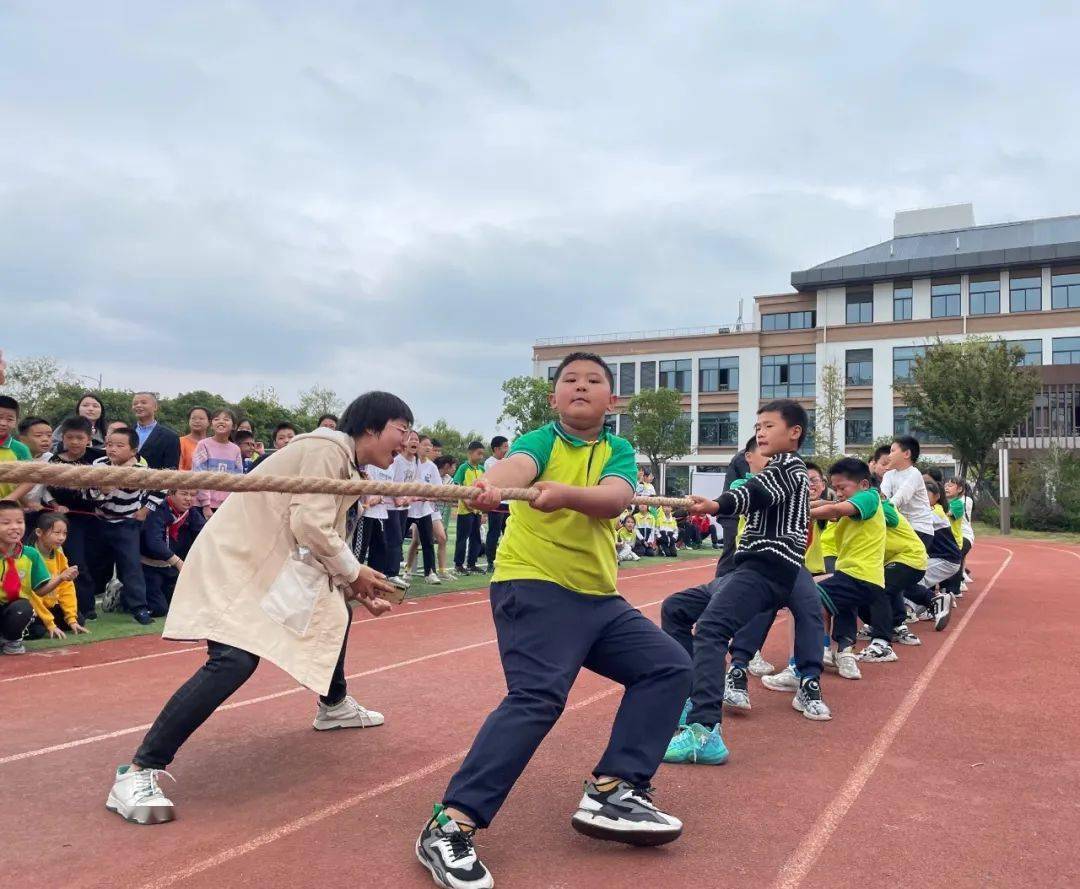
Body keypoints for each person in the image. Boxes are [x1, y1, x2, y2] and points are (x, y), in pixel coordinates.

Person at [416, 353, 691, 889]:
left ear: (612, 401)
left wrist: (564, 496)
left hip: (599, 598)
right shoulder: (542, 441)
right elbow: (514, 468)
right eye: (570, 380)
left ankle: (613, 790)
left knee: (668, 666)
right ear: (554, 398)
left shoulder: (618, 449)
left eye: (594, 382)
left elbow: (615, 498)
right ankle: (451, 823)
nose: (581, 387)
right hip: (535, 586)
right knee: (539, 696)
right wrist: (493, 483)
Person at [106, 392, 410, 826]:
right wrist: (353, 572)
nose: (407, 441)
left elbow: (321, 533)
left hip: (267, 563)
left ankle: (334, 703)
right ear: (372, 426)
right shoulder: (326, 448)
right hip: (238, 562)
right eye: (402, 430)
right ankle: (138, 771)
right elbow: (310, 525)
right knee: (232, 661)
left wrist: (353, 580)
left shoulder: (344, 462)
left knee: (334, 610)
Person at [663, 400, 821, 764]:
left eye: (768, 425)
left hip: (766, 570)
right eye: (758, 426)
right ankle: (693, 696)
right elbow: (751, 493)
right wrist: (716, 504)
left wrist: (714, 506)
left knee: (712, 629)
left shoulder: (789, 468)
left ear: (794, 432)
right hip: (743, 570)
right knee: (677, 608)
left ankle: (705, 732)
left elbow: (752, 494)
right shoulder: (775, 470)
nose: (760, 432)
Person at [809, 459, 891, 678]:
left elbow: (834, 509)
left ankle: (810, 656)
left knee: (807, 597)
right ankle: (845, 655)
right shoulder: (857, 503)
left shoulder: (869, 497)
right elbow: (825, 504)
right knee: (841, 605)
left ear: (863, 484)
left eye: (842, 488)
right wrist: (805, 505)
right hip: (853, 575)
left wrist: (802, 514)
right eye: (835, 488)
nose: (838, 493)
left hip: (861, 577)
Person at [89, 426, 163, 625]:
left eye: (120, 446)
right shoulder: (99, 463)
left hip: (127, 524)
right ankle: (87, 607)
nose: (112, 449)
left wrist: (145, 510)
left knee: (131, 566)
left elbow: (162, 487)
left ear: (133, 451)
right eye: (109, 444)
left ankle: (139, 608)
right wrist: (119, 474)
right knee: (94, 564)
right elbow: (93, 493)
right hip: (100, 521)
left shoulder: (141, 470)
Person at [46, 417, 105, 619]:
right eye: (69, 437)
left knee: (96, 559)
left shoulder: (99, 459)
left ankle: (91, 603)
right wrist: (55, 506)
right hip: (69, 519)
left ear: (89, 438)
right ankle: (84, 608)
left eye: (80, 438)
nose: (74, 442)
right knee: (77, 561)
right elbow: (46, 489)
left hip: (96, 518)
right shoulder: (54, 461)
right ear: (63, 438)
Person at [0, 500, 77, 654]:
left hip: (10, 608)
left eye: (19, 522)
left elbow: (41, 590)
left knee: (23, 608)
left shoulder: (31, 554)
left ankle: (10, 640)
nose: (15, 527)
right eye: (6, 523)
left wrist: (61, 578)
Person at [26, 513, 88, 639]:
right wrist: (50, 624)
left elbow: (67, 588)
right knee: (36, 631)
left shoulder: (59, 556)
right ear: (39, 532)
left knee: (79, 620)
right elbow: (33, 595)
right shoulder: (28, 555)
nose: (61, 538)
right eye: (56, 533)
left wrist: (71, 619)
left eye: (64, 533)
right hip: (33, 607)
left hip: (50, 606)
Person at [140, 489, 199, 617]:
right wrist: (178, 562)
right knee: (159, 609)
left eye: (192, 495)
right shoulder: (157, 509)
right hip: (150, 567)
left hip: (171, 568)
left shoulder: (191, 512)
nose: (189, 498)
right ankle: (122, 593)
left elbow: (204, 532)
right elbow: (154, 543)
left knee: (182, 605)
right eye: (184, 494)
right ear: (171, 494)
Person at [880, 435, 935, 550]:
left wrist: (884, 508)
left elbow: (899, 498)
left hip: (920, 529)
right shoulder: (889, 475)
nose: (889, 456)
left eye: (893, 451)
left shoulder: (914, 474)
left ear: (906, 454)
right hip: (903, 527)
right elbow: (883, 497)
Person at [192, 409, 244, 519]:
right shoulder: (203, 445)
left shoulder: (236, 450)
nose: (221, 422)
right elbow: (199, 475)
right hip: (201, 505)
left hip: (226, 505)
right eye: (216, 419)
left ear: (234, 426)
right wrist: (206, 505)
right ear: (211, 425)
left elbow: (238, 479)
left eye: (226, 419)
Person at [452, 441, 486, 575]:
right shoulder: (463, 468)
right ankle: (458, 565)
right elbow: (457, 485)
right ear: (470, 453)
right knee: (462, 537)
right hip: (465, 510)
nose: (481, 456)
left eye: (482, 454)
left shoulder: (482, 469)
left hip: (477, 510)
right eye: (478, 453)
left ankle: (472, 563)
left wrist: (482, 509)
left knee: (476, 537)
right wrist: (466, 502)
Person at [132, 392, 182, 470]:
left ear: (155, 407)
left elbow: (171, 469)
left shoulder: (170, 437)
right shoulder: (126, 432)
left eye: (143, 402)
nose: (138, 405)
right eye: (135, 403)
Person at [483, 436, 510, 569]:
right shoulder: (490, 462)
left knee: (509, 533)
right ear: (496, 449)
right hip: (496, 503)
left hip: (509, 503)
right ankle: (490, 561)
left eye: (507, 446)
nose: (507, 449)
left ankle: (508, 559)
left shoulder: (509, 461)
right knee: (494, 533)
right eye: (505, 447)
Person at [945, 477, 975, 594]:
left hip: (965, 535)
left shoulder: (962, 502)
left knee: (955, 555)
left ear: (960, 489)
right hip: (952, 536)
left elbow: (947, 514)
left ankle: (955, 587)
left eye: (951, 485)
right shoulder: (946, 501)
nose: (947, 487)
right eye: (946, 485)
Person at [0, 396, 31, 500]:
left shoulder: (20, 449)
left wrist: (9, 499)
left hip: (8, 510)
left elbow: (30, 479)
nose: (3, 423)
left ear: (16, 422)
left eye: (9, 419)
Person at [179, 407, 211, 471]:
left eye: (201, 418)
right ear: (189, 421)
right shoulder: (180, 442)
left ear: (209, 422)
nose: (197, 421)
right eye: (193, 418)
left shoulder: (213, 444)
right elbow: (177, 468)